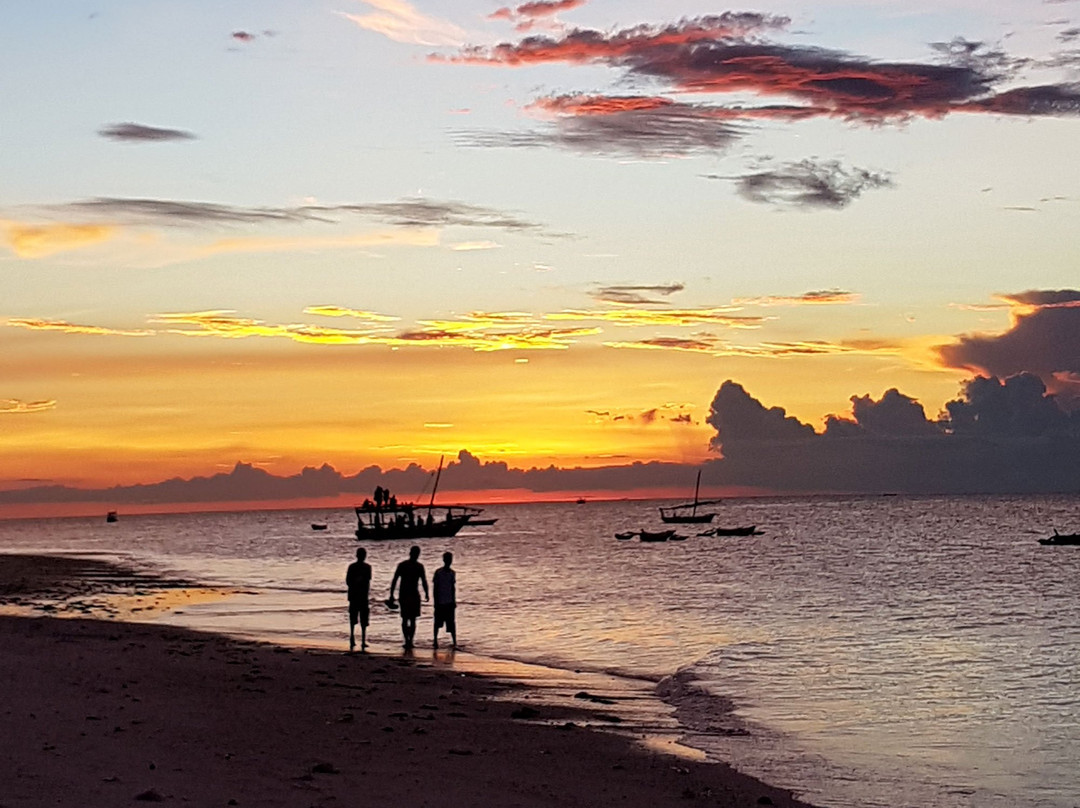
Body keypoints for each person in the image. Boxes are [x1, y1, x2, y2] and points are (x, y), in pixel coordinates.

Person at [389, 545, 428, 649]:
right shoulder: (413, 566)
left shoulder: (407, 565)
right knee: (409, 619)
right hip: (408, 595)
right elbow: (395, 580)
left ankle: (409, 640)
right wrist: (391, 594)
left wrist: (427, 592)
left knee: (408, 619)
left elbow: (423, 581)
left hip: (409, 594)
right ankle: (408, 640)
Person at [346, 547, 372, 652]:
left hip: (359, 596)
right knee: (357, 618)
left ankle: (358, 639)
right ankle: (355, 638)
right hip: (358, 596)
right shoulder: (362, 567)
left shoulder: (363, 567)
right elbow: (348, 581)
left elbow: (367, 580)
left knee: (361, 619)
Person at [432, 551, 457, 650]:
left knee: (451, 623)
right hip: (440, 602)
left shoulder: (452, 573)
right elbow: (435, 588)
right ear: (444, 560)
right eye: (447, 559)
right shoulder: (438, 572)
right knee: (437, 623)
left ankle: (455, 641)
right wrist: (435, 602)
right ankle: (435, 640)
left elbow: (453, 588)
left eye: (450, 559)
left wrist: (454, 601)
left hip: (449, 602)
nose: (449, 561)